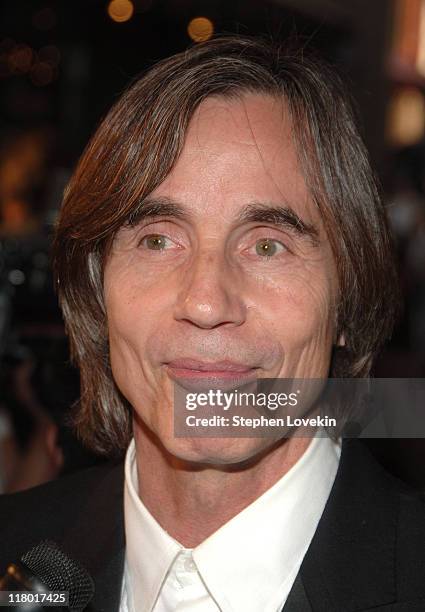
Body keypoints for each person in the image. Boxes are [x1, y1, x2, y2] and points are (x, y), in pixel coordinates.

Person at [1, 36, 424, 612]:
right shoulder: (18, 564)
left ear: (349, 295)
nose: (205, 301)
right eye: (158, 240)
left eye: (268, 246)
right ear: (96, 288)